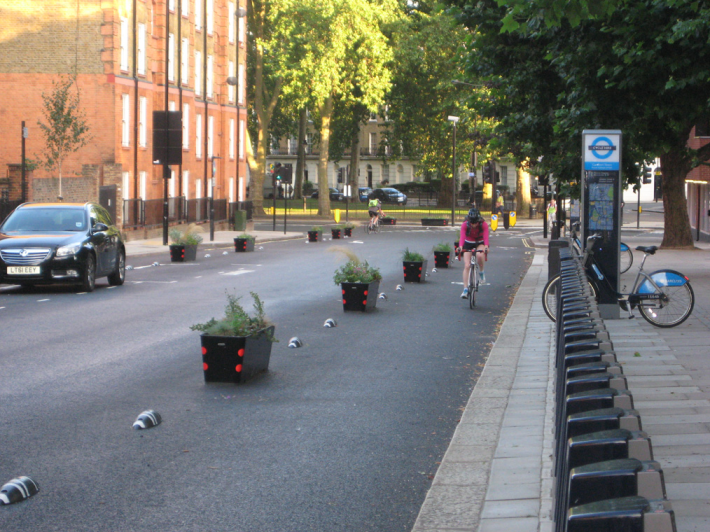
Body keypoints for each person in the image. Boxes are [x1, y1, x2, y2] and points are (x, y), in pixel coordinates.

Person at [458, 207, 489, 298]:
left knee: (479, 255)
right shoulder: (465, 225)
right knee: (467, 265)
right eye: (472, 223)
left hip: (479, 242)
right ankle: (465, 289)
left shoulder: (483, 224)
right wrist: (460, 247)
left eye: (475, 223)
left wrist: (486, 246)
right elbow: (462, 237)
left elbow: (486, 236)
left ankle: (482, 272)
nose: (474, 225)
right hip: (468, 243)